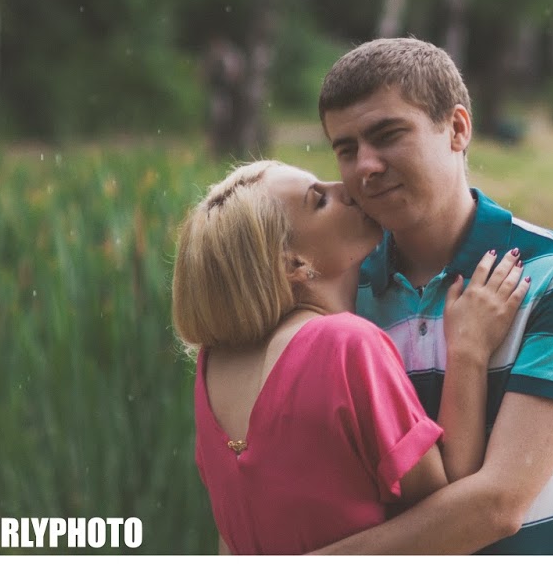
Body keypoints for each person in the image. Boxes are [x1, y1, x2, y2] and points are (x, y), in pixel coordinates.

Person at [314, 36, 553, 554]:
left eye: (387, 135)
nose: (365, 165)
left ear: (457, 128)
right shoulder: (345, 293)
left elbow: (497, 505)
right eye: (346, 149)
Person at [171, 159, 528, 554]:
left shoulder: (211, 369)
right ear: (292, 264)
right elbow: (445, 509)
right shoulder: (346, 345)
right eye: (319, 200)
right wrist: (469, 349)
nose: (344, 187)